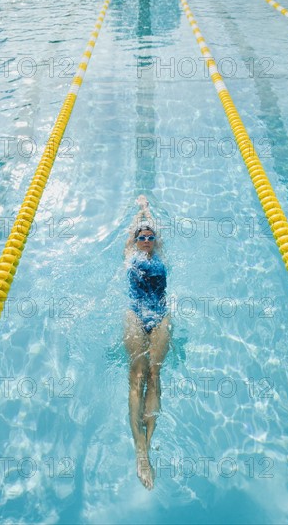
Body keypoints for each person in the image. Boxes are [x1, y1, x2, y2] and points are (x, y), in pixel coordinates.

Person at [123, 194, 172, 490]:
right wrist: (139, 211)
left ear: (154, 240)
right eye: (141, 235)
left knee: (154, 374)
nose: (145, 238)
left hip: (160, 314)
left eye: (149, 236)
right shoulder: (129, 253)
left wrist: (146, 210)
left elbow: (156, 229)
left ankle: (149, 443)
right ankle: (139, 450)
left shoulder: (159, 254)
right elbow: (134, 232)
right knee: (136, 375)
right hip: (135, 312)